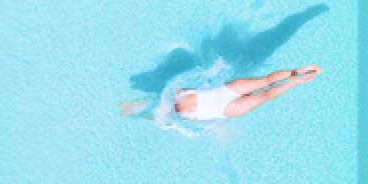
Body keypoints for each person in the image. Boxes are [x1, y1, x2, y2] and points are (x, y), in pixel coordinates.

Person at [121, 66, 321, 122]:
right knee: (266, 81)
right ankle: (296, 72)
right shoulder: (178, 95)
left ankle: (295, 80)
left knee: (264, 95)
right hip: (224, 91)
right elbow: (180, 89)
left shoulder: (183, 117)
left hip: (226, 108)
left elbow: (156, 114)